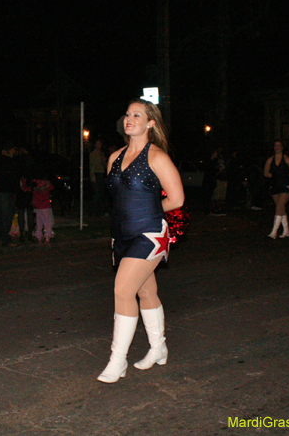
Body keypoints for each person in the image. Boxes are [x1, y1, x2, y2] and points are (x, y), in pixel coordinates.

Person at [98, 99, 184, 384]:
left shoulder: (157, 157)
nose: (129, 118)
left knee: (123, 290)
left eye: (137, 115)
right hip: (122, 235)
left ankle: (117, 361)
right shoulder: (114, 157)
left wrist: (149, 212)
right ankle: (159, 348)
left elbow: (177, 199)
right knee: (146, 291)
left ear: (150, 123)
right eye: (127, 114)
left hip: (149, 234)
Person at [263, 139, 289, 238]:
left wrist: (286, 176)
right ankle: (286, 230)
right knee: (280, 208)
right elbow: (265, 173)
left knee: (279, 207)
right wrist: (274, 175)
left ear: (282, 147)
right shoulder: (270, 160)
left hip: (285, 185)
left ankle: (274, 232)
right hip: (275, 185)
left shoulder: (287, 159)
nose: (277, 147)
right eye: (275, 145)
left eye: (279, 145)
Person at [29, 175, 55, 243]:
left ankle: (39, 237)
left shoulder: (35, 184)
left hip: (38, 206)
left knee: (39, 222)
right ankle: (47, 237)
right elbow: (52, 188)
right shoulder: (46, 184)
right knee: (47, 222)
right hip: (45, 205)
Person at [89, 139, 107, 216]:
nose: (98, 145)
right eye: (97, 144)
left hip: (101, 173)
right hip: (95, 174)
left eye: (99, 144)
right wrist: (92, 176)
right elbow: (91, 165)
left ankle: (100, 211)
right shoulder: (93, 154)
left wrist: (104, 161)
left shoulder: (102, 154)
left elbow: (104, 165)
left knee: (101, 193)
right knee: (96, 193)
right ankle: (93, 211)